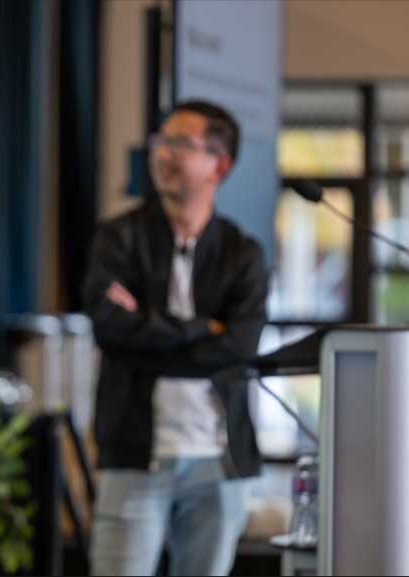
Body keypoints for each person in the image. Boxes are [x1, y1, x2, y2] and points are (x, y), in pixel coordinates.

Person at [83, 100, 268, 576]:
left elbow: (240, 348)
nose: (164, 154)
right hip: (135, 451)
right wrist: (203, 329)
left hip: (220, 460)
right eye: (161, 142)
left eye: (181, 144)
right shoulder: (118, 237)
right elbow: (109, 329)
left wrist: (146, 329)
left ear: (218, 165)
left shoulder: (241, 252)